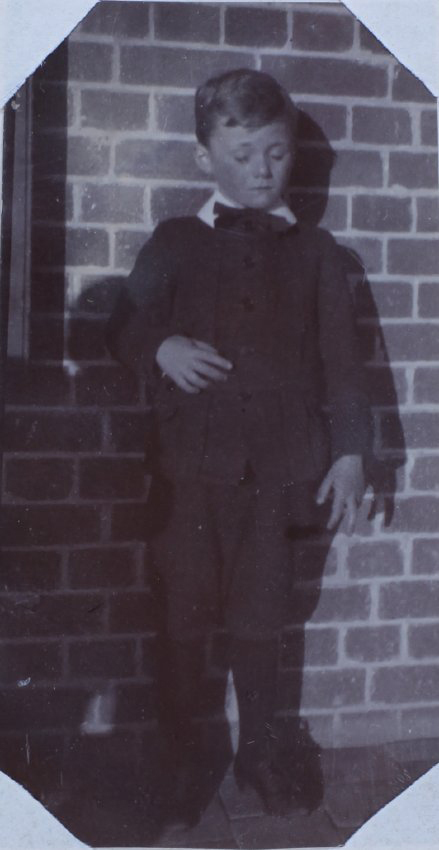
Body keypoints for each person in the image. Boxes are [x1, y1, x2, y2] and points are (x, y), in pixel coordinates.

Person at [106, 68, 371, 820]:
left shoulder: (318, 254)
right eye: (243, 154)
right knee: (182, 619)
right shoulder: (175, 241)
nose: (262, 170)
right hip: (188, 473)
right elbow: (121, 327)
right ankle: (179, 759)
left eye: (277, 154)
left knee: (262, 618)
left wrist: (351, 452)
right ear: (205, 158)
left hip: (280, 476)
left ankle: (259, 750)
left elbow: (343, 363)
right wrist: (159, 347)